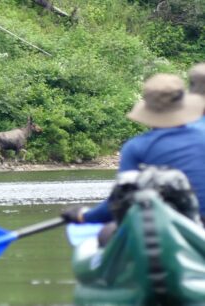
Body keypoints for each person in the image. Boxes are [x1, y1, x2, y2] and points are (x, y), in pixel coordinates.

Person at [62, 73, 205, 225]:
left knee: (106, 234)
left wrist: (83, 215)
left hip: (165, 227)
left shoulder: (136, 147)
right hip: (195, 225)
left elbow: (118, 203)